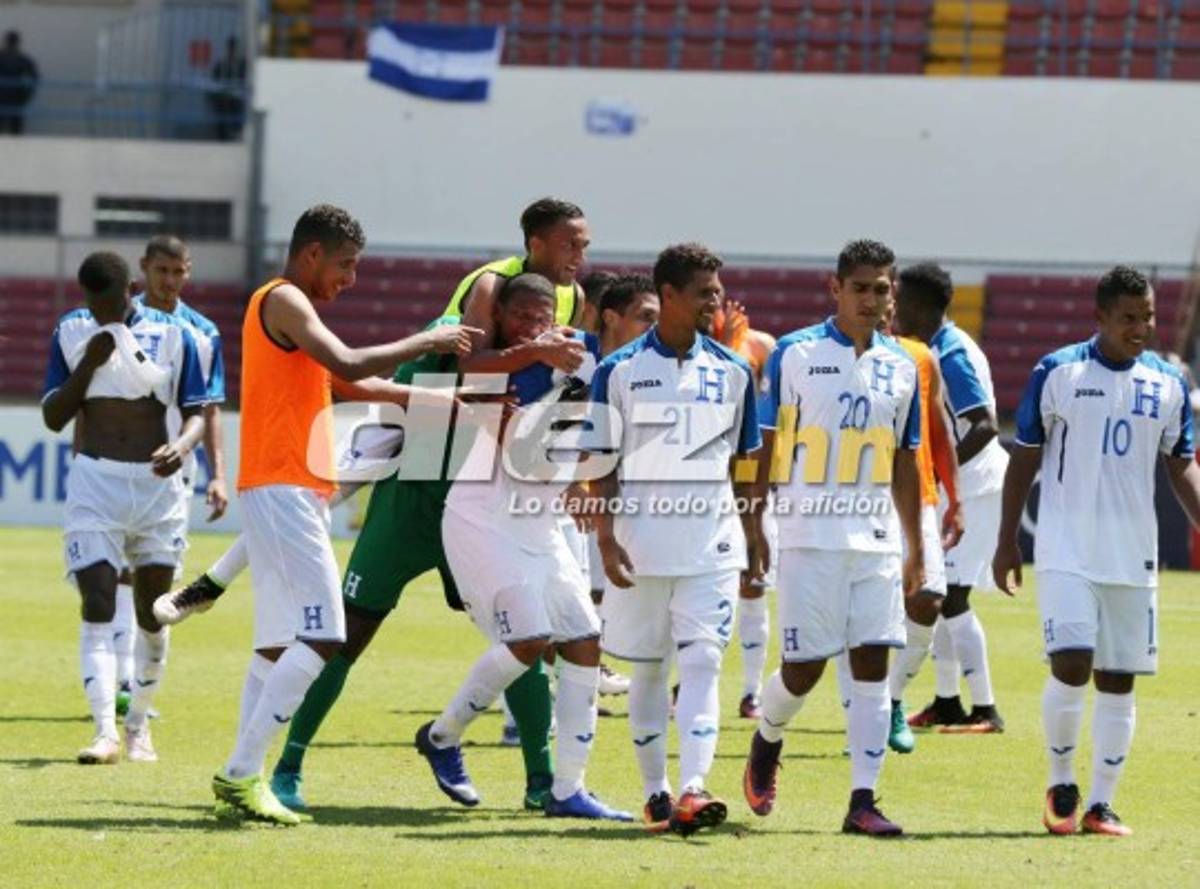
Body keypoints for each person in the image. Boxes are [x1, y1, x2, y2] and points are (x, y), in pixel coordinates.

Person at [210, 204, 474, 825]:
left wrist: (444, 399)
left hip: (282, 488)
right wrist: (431, 340)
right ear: (311, 255)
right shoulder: (282, 300)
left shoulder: (293, 318)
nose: (351, 279)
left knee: (277, 644)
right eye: (347, 264)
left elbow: (357, 387)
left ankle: (242, 775)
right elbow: (351, 364)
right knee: (325, 635)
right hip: (283, 486)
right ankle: (244, 772)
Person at [994, 265, 1200, 837]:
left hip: (1132, 555)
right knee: (1072, 662)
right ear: (1101, 317)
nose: (1141, 328)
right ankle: (1061, 779)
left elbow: (1180, 461)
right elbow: (1025, 456)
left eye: (1148, 317)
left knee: (1118, 678)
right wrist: (1007, 537)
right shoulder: (1059, 371)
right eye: (1128, 318)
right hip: (1066, 548)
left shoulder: (1167, 384)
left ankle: (1103, 803)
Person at [417, 273, 630, 821]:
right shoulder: (491, 370)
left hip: (540, 522)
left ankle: (567, 790)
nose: (534, 326)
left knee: (584, 644)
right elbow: (522, 442)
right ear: (501, 320)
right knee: (530, 640)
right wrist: (546, 365)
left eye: (542, 316)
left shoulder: (583, 356)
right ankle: (444, 736)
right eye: (522, 317)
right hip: (483, 520)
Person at [742, 239, 923, 838]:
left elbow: (904, 458)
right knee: (804, 668)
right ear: (836, 289)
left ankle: (862, 801)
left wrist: (915, 545)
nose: (873, 298)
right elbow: (766, 444)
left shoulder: (903, 366)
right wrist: (754, 525)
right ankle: (767, 739)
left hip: (874, 539)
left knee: (874, 661)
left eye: (883, 288)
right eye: (862, 287)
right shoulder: (796, 353)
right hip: (807, 533)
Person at [592, 243, 762, 836]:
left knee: (704, 661)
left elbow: (747, 462)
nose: (715, 301)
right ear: (668, 296)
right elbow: (601, 461)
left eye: (718, 290)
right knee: (646, 671)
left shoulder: (736, 370)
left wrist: (753, 533)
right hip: (640, 545)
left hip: (711, 544)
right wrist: (606, 539)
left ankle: (693, 787)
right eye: (704, 292)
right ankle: (655, 793)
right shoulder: (616, 372)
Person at [42, 252, 209, 765]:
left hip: (158, 492)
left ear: (132, 290)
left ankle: (139, 725)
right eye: (96, 307)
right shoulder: (71, 333)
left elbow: (199, 412)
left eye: (112, 305)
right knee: (96, 602)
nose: (104, 316)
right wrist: (90, 361)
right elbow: (52, 416)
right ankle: (104, 732)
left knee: (153, 613)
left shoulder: (177, 335)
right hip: (97, 484)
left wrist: (182, 447)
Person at [896, 263, 1007, 733]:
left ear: (918, 306)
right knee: (939, 593)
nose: (893, 310)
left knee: (953, 598)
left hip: (975, 487)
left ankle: (986, 709)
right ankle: (947, 701)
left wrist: (944, 475)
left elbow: (984, 424)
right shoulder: (933, 347)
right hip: (960, 486)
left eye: (899, 301)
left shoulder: (953, 352)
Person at [712, 297, 778, 720]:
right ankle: (690, 684)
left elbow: (764, 422)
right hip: (699, 486)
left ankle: (752, 692)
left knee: (752, 584)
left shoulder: (762, 346)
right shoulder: (688, 345)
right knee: (701, 590)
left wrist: (757, 494)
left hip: (748, 477)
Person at [208, 36, 246, 141]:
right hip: (223, 98)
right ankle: (223, 137)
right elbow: (215, 81)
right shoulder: (221, 64)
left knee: (235, 108)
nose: (232, 50)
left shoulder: (242, 64)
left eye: (234, 48)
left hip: (237, 98)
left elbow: (244, 80)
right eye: (230, 48)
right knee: (220, 107)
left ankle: (236, 133)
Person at [0, 31, 38, 135]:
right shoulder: (23, 59)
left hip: (5, 97)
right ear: (17, 42)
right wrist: (27, 95)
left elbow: (34, 77)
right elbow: (34, 78)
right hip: (17, 97)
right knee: (15, 132)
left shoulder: (22, 59)